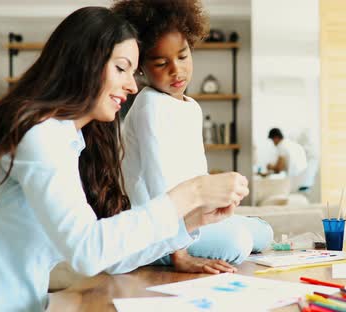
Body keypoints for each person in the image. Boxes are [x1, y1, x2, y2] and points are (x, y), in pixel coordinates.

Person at [0, 7, 248, 311]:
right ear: (85, 63)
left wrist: (187, 224)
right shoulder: (39, 136)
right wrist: (193, 193)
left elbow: (109, 257)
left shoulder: (71, 141)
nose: (132, 86)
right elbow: (87, 252)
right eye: (121, 68)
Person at [112, 0, 273, 273]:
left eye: (183, 56)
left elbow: (198, 176)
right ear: (140, 67)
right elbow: (158, 189)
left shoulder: (191, 107)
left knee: (264, 232)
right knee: (238, 241)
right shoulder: (150, 106)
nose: (176, 70)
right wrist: (181, 256)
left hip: (193, 220)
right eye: (162, 63)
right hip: (161, 230)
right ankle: (160, 254)